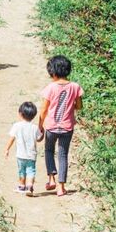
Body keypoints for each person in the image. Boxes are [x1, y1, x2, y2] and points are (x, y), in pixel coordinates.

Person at [38, 55, 83, 197]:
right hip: (67, 127)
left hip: (51, 127)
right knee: (63, 155)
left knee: (49, 151)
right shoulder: (75, 87)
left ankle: (51, 178)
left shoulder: (50, 88)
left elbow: (44, 109)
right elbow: (79, 106)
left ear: (53, 72)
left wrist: (40, 125)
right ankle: (61, 187)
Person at [4, 100, 40, 196]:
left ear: (20, 114)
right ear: (34, 115)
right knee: (31, 171)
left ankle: (21, 186)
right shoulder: (35, 127)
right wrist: (43, 132)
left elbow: (12, 139)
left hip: (20, 155)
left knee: (22, 171)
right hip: (31, 155)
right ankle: (29, 187)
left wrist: (7, 149)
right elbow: (39, 138)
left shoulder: (16, 126)